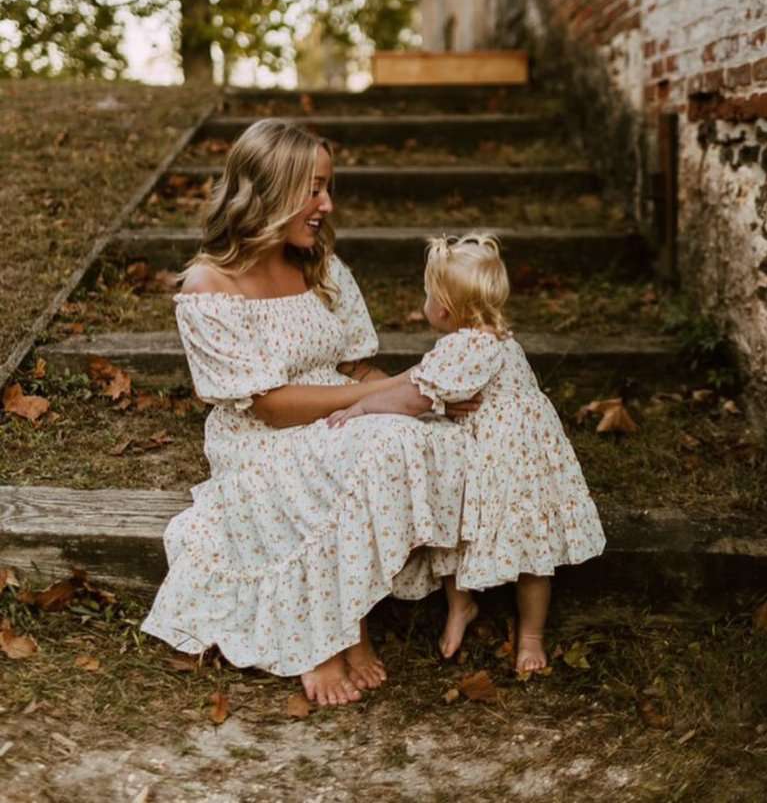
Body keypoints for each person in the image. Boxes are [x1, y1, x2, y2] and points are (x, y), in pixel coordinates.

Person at [140, 120, 480, 706]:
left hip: (343, 412)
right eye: (314, 188)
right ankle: (332, 629)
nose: (327, 204)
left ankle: (355, 612)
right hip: (262, 435)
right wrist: (386, 397)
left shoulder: (323, 267)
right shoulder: (208, 285)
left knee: (437, 435)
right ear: (267, 191)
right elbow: (269, 406)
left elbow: (357, 369)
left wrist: (423, 395)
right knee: (381, 440)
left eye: (328, 188)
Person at [328, 233, 606, 674]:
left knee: (519, 547)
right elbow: (430, 385)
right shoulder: (494, 338)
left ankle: (526, 634)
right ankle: (471, 611)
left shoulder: (467, 346)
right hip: (501, 458)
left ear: (443, 307)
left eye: (426, 295)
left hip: (512, 465)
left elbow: (414, 397)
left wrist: (361, 405)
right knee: (475, 533)